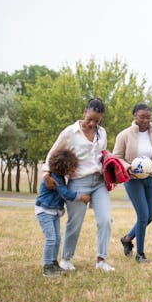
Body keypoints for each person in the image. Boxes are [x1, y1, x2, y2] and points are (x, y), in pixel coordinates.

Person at [42, 98, 115, 272]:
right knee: (75, 222)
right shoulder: (70, 132)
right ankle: (66, 259)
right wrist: (46, 173)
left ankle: (101, 260)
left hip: (99, 182)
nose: (92, 124)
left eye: (96, 121)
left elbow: (101, 154)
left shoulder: (102, 132)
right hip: (78, 182)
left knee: (106, 220)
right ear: (84, 112)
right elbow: (52, 153)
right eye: (90, 119)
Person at [112, 103, 152, 263]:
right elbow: (116, 157)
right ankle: (140, 254)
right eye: (142, 117)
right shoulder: (124, 135)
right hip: (132, 179)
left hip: (148, 178)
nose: (145, 120)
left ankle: (127, 239)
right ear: (135, 115)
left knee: (150, 216)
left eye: (148, 117)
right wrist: (129, 168)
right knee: (143, 215)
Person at [35, 149, 91, 277]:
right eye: (71, 168)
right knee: (51, 239)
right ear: (63, 166)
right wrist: (81, 197)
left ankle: (54, 263)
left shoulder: (58, 176)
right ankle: (47, 267)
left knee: (57, 239)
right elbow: (65, 194)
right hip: (44, 210)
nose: (73, 171)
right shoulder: (54, 178)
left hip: (53, 211)